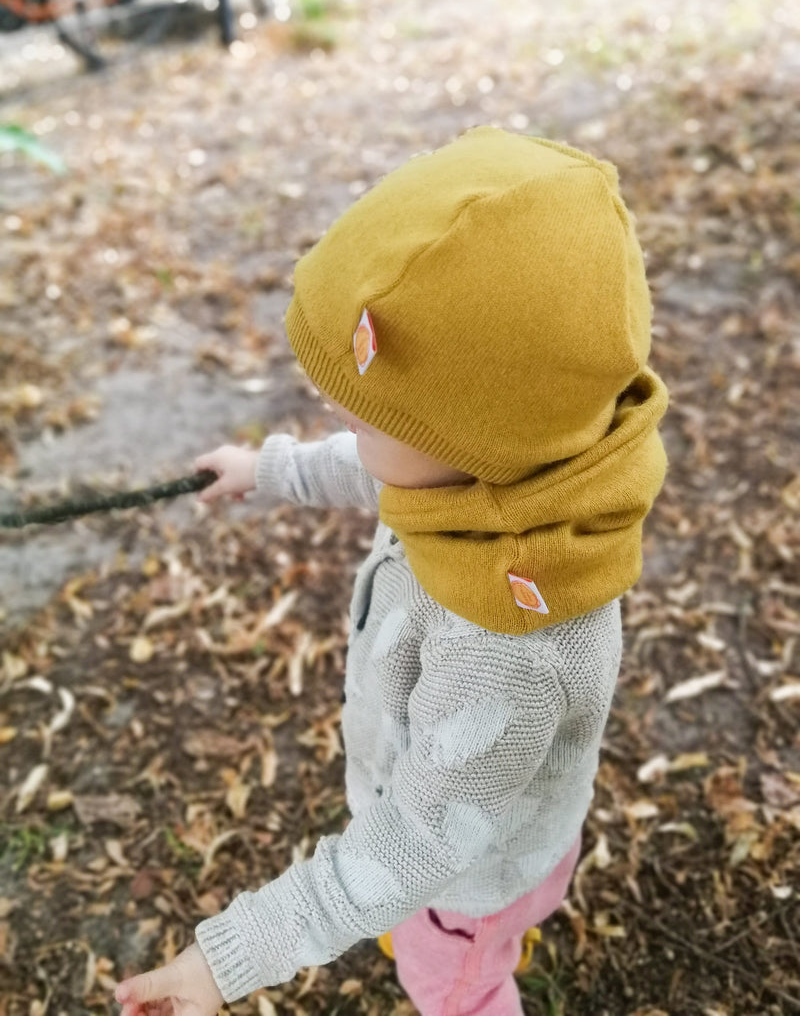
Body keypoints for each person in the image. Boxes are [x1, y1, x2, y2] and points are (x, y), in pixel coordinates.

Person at [115, 126, 669, 1016]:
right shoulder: (506, 476)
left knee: (457, 992)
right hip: (477, 808)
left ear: (478, 443)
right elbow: (381, 464)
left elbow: (416, 839)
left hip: (464, 880)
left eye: (367, 417)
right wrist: (273, 469)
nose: (341, 417)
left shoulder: (509, 644)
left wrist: (228, 960)